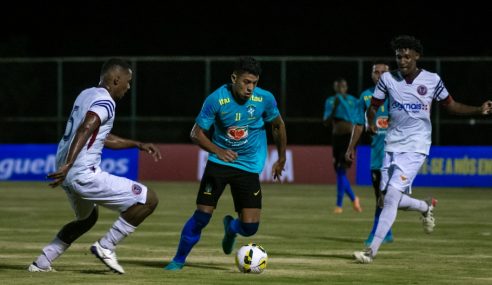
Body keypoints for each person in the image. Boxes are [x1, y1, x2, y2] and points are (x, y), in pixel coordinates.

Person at [353, 35, 492, 263]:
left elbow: (452, 105)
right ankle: (424, 206)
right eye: (399, 56)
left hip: (416, 147)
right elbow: (373, 107)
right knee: (386, 199)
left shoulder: (431, 80)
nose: (403, 60)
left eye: (407, 56)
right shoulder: (387, 79)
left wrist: (478, 109)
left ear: (417, 56)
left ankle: (371, 251)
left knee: (390, 199)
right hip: (392, 146)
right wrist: (369, 121)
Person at [28, 58, 162, 274]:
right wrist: (71, 163)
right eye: (128, 82)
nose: (128, 87)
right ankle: (106, 245)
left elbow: (101, 136)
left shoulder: (86, 94)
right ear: (116, 79)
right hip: (82, 173)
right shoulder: (107, 101)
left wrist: (137, 144)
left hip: (69, 174)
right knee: (149, 199)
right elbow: (85, 128)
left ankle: (42, 262)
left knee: (87, 219)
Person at [164, 56, 287, 271]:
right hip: (219, 164)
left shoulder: (264, 99)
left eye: (254, 83)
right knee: (202, 216)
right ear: (234, 78)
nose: (250, 88)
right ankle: (178, 260)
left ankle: (231, 227)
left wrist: (282, 157)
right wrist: (217, 151)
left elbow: (277, 125)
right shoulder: (216, 99)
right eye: (246, 82)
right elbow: (196, 133)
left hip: (248, 166)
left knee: (250, 227)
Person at [345, 61, 394, 245]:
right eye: (376, 72)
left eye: (384, 72)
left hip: (396, 155)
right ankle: (386, 231)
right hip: (377, 158)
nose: (380, 75)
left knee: (385, 196)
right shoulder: (365, 97)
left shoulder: (397, 94)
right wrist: (351, 148)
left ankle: (376, 232)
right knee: (381, 197)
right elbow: (358, 124)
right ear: (372, 75)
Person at [323, 78, 362, 214]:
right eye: (338, 86)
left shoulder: (354, 101)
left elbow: (358, 118)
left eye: (343, 86)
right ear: (335, 88)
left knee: (341, 170)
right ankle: (353, 198)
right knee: (338, 171)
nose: (341, 88)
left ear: (346, 87)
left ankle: (339, 205)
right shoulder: (330, 101)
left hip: (349, 139)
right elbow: (326, 122)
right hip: (336, 138)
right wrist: (335, 107)